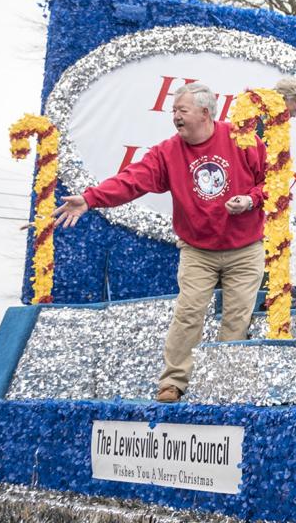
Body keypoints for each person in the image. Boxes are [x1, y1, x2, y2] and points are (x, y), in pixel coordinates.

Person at [54, 83, 267, 403]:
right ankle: (173, 383)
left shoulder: (242, 140)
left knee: (236, 319)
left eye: (182, 110)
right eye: (173, 111)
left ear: (205, 113)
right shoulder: (168, 152)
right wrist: (89, 199)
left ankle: (225, 386)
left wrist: (250, 200)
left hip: (245, 248)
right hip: (198, 251)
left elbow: (275, 181)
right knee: (189, 313)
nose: (176, 117)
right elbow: (131, 181)